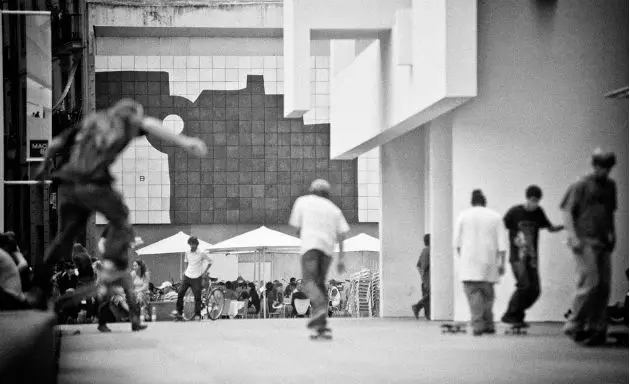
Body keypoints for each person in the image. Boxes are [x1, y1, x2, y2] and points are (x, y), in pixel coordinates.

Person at [28, 99, 207, 332]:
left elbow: (56, 143)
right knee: (122, 218)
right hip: (92, 182)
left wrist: (43, 167)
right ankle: (113, 265)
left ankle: (37, 288)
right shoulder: (125, 122)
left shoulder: (91, 121)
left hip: (68, 186)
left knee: (64, 237)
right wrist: (184, 141)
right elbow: (151, 124)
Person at [560, 149, 618, 346]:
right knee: (590, 283)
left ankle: (597, 327)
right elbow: (567, 211)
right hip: (584, 240)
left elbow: (610, 212)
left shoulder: (610, 186)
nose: (603, 171)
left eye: (607, 168)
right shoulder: (581, 185)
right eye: (600, 167)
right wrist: (572, 237)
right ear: (594, 166)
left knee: (604, 286)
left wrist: (613, 234)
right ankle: (574, 323)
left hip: (602, 241)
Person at [289, 179, 350, 338]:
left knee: (309, 283)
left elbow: (297, 228)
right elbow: (342, 234)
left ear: (311, 190)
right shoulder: (334, 209)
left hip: (310, 247)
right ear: (328, 194)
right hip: (328, 250)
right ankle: (321, 326)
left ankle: (321, 309)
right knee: (320, 284)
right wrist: (341, 258)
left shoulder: (302, 202)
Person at [501, 186, 564, 326]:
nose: (534, 203)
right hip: (517, 257)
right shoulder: (514, 212)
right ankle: (510, 315)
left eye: (537, 201)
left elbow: (550, 227)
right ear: (527, 198)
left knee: (535, 289)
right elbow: (501, 227)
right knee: (524, 286)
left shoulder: (538, 212)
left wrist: (565, 226)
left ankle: (517, 314)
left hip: (532, 258)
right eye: (532, 200)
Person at [453, 189, 507, 336]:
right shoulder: (495, 217)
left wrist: (464, 258)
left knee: (473, 296)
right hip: (489, 263)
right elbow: (502, 244)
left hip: (469, 265)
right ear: (485, 202)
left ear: (472, 202)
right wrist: (502, 263)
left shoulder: (463, 216)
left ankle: (478, 325)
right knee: (488, 296)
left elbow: (457, 243)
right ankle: (489, 324)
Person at [172, 236, 212, 321]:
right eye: (191, 244)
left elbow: (210, 261)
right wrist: (185, 271)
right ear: (189, 244)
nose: (192, 246)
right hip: (187, 276)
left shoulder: (201, 253)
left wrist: (205, 272)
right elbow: (186, 262)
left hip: (197, 277)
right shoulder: (187, 252)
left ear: (197, 244)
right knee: (180, 293)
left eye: (194, 244)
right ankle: (179, 313)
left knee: (197, 297)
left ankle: (197, 315)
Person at [412, 234, 431, 320]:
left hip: (424, 278)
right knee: (430, 295)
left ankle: (428, 315)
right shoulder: (430, 251)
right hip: (429, 278)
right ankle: (417, 306)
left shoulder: (424, 251)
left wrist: (422, 275)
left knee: (426, 296)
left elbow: (418, 266)